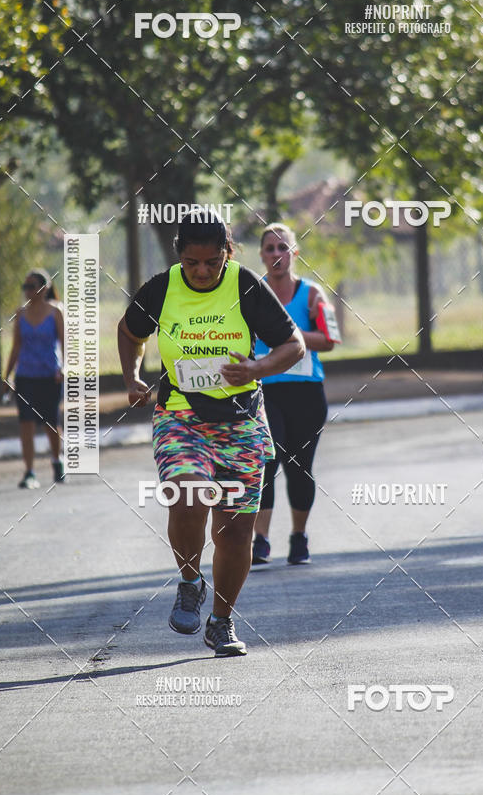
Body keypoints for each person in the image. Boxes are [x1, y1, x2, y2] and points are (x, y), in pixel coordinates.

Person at [117, 210, 305, 657]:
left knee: (235, 532)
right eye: (191, 262)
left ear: (227, 252)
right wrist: (132, 377)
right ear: (179, 255)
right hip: (180, 414)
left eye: (211, 262)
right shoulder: (162, 288)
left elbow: (293, 345)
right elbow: (129, 332)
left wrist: (257, 367)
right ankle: (189, 580)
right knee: (187, 495)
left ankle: (221, 621)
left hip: (241, 420)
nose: (201, 271)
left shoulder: (245, 286)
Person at [253, 223, 337, 567]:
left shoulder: (313, 293)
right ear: (261, 255)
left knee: (299, 467)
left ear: (294, 253)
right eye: (270, 248)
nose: (276, 254)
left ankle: (299, 536)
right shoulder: (251, 292)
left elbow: (329, 340)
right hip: (264, 391)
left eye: (282, 247)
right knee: (265, 461)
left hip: (305, 393)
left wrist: (288, 336)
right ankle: (260, 540)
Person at [3, 269, 65, 490]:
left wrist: (64, 368)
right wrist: (7, 375)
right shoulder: (20, 314)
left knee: (50, 422)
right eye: (25, 287)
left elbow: (65, 344)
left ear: (44, 288)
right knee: (26, 423)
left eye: (31, 286)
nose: (27, 291)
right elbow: (16, 346)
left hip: (50, 376)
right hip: (25, 376)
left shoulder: (56, 312)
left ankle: (57, 460)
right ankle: (29, 471)